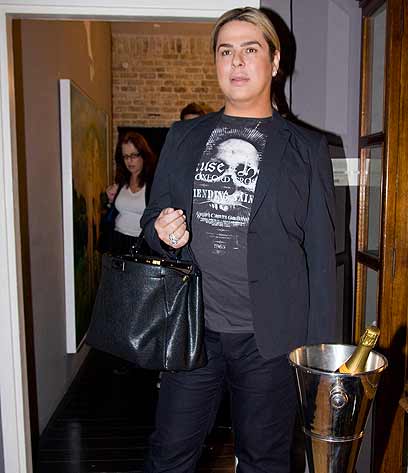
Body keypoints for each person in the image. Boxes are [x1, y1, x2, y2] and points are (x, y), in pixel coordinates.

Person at [141, 7, 336, 473]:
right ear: (216, 62)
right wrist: (161, 231)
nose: (237, 62)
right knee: (168, 457)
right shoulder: (183, 137)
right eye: (226, 51)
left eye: (250, 49)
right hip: (193, 332)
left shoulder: (307, 149)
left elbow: (321, 256)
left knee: (263, 462)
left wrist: (319, 358)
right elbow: (152, 219)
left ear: (275, 61)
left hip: (271, 340)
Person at [100, 131, 156, 255]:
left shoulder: (154, 183)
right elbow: (112, 212)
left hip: (142, 244)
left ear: (144, 155)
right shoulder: (122, 180)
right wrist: (110, 201)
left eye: (134, 155)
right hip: (117, 240)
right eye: (125, 156)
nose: (129, 161)